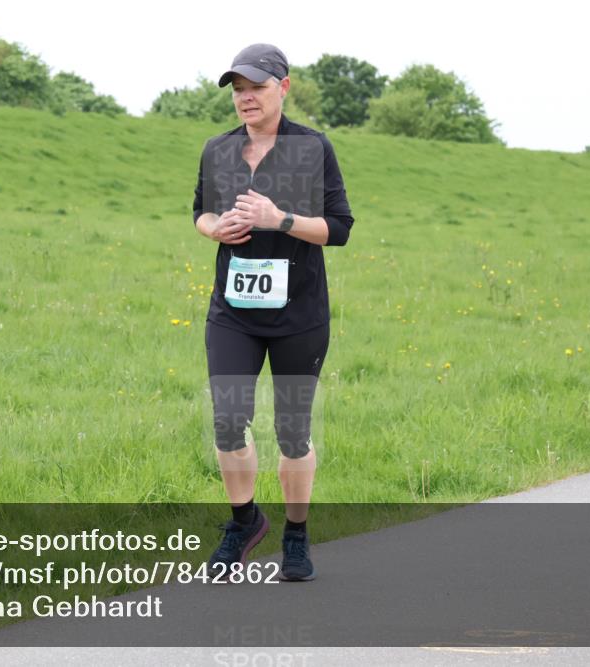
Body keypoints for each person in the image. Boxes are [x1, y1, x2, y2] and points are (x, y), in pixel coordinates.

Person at [191, 43, 355, 582]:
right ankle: (244, 522)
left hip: (299, 314)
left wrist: (278, 218)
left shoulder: (313, 148)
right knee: (227, 418)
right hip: (233, 310)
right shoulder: (218, 150)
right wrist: (216, 227)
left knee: (291, 430)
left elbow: (339, 229)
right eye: (238, 90)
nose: (246, 98)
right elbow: (201, 210)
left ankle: (296, 534)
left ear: (283, 88)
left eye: (256, 87)